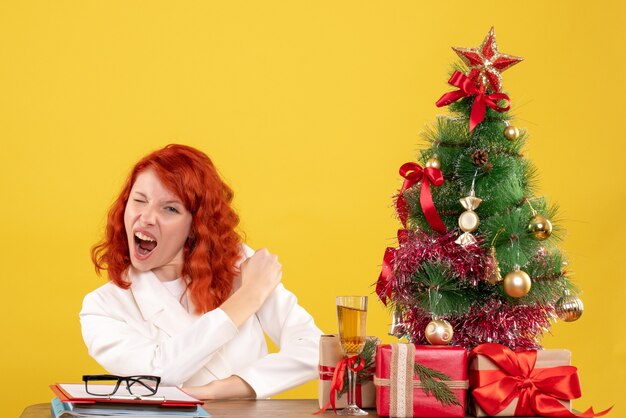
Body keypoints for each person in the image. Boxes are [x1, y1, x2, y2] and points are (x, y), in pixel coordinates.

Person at [80, 144, 322, 399]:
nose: (147, 218)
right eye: (139, 201)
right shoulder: (102, 307)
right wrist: (248, 297)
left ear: (195, 225)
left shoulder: (238, 263)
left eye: (170, 208)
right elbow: (159, 372)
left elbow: (313, 348)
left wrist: (217, 390)